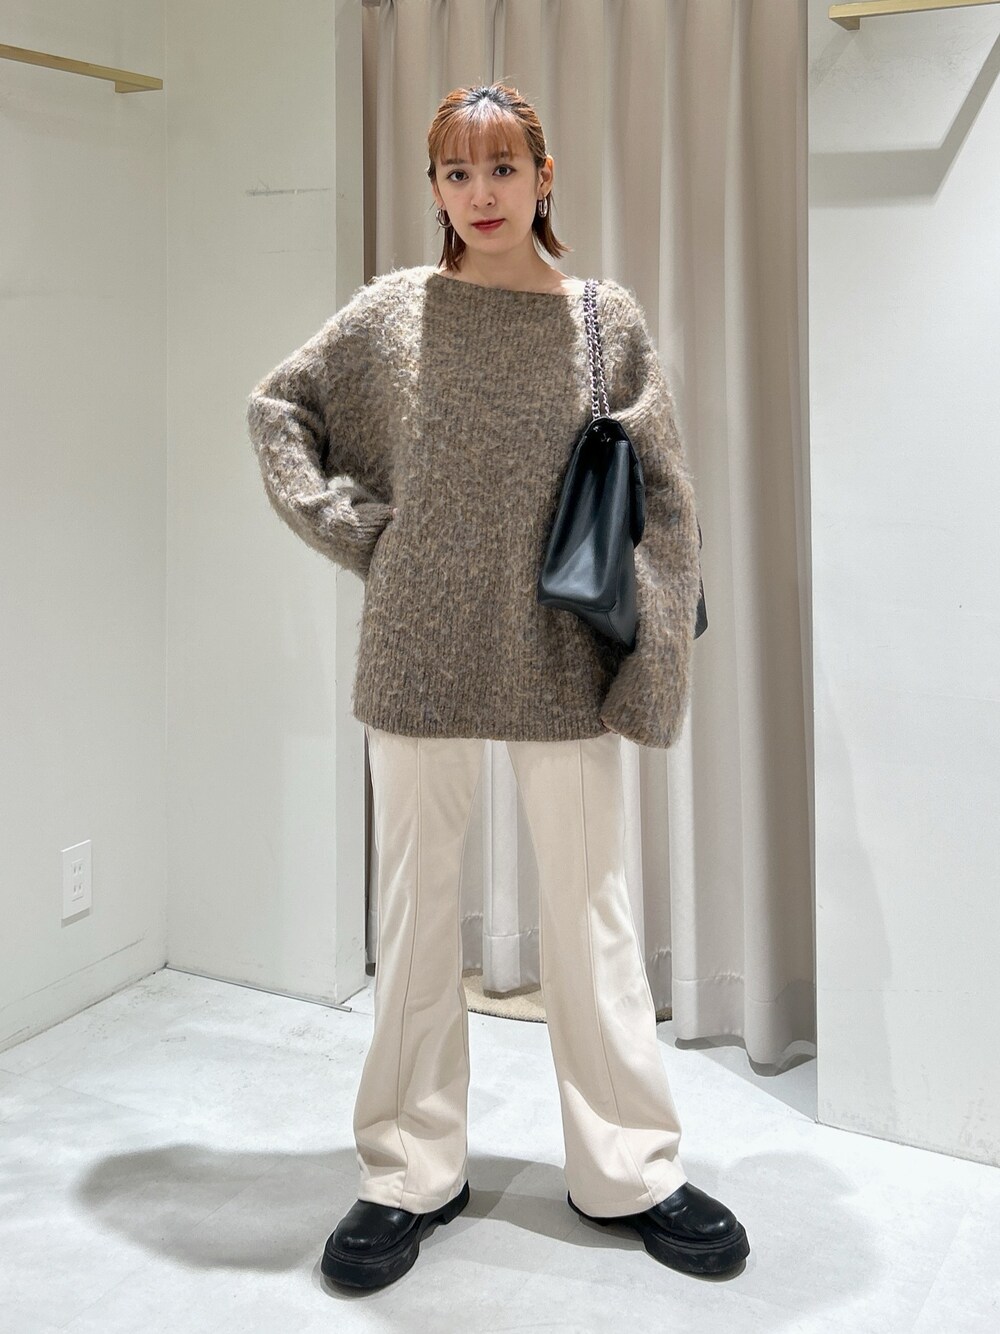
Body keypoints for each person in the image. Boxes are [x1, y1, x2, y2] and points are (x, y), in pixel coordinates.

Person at [246, 81, 749, 1290]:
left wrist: (652, 657)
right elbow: (280, 411)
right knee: (415, 910)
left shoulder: (600, 319)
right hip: (418, 643)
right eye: (456, 172)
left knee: (590, 907)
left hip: (560, 646)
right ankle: (408, 1170)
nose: (480, 193)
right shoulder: (394, 313)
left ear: (544, 175)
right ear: (434, 187)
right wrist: (360, 531)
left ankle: (627, 1166)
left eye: (502, 168)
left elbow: (666, 498)